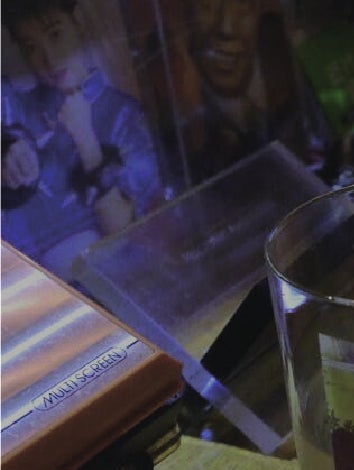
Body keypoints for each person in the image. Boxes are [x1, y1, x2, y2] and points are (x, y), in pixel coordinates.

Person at [1, 0, 163, 282]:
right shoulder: (17, 108)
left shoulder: (124, 115)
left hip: (106, 288)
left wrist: (86, 140)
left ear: (79, 24)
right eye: (31, 47)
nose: (48, 59)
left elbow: (127, 230)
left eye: (55, 34)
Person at [174, 0, 304, 182]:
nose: (227, 29)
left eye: (244, 5)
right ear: (186, 13)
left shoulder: (280, 51)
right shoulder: (180, 111)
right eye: (207, 6)